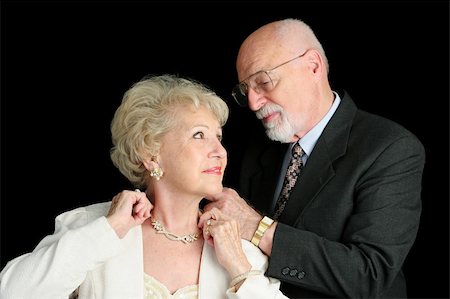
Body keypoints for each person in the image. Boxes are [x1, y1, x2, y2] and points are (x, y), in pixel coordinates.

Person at [0, 74, 289, 299]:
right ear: (150, 154)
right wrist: (108, 230)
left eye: (219, 137)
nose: (220, 151)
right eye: (199, 135)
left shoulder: (239, 249)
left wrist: (239, 270)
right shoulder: (93, 227)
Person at [203, 18, 426, 298]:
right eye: (246, 90)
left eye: (263, 81)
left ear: (313, 66)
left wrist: (259, 228)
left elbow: (370, 275)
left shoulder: (391, 148)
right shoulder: (259, 147)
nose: (253, 102)